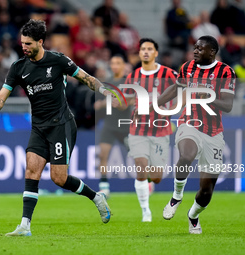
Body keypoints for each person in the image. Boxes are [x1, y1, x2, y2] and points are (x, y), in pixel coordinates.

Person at [0, 19, 111, 237]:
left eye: (28, 43)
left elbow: (85, 77)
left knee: (59, 178)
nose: (24, 47)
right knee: (31, 170)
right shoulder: (18, 68)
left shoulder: (58, 61)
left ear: (40, 42)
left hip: (62, 125)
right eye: (22, 43)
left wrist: (104, 91)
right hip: (39, 127)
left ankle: (95, 196)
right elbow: (2, 97)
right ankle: (24, 226)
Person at [137, 35, 236, 233]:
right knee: (186, 156)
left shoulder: (226, 71)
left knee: (206, 191)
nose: (196, 51)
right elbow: (177, 87)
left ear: (212, 52)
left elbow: (228, 105)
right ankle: (176, 196)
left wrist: (206, 95)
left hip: (214, 132)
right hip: (189, 122)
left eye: (201, 48)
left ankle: (193, 215)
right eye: (195, 47)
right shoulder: (187, 67)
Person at [119, 38, 177, 222]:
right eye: (143, 49)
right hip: (138, 129)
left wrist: (173, 107)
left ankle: (150, 185)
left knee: (157, 177)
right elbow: (126, 100)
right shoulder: (133, 76)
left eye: (149, 49)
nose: (145, 52)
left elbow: (182, 90)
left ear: (156, 53)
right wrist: (118, 102)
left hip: (160, 130)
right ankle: (146, 211)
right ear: (139, 53)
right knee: (141, 169)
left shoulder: (168, 73)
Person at [94, 55, 133, 198]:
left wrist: (119, 101)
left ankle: (147, 181)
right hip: (109, 124)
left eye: (118, 63)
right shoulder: (106, 83)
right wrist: (105, 103)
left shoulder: (129, 82)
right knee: (103, 155)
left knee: (137, 156)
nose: (115, 66)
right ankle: (104, 187)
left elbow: (128, 103)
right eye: (113, 63)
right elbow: (97, 104)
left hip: (125, 125)